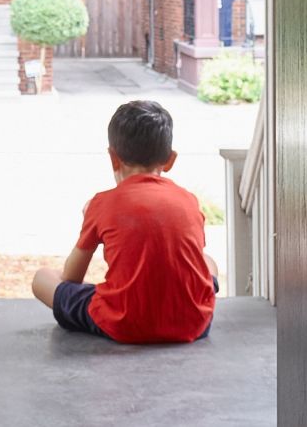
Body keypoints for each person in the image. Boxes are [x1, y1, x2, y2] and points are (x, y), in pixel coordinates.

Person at [32, 100, 219, 343]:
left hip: (124, 323)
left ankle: (113, 300)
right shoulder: (189, 201)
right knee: (208, 261)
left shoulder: (101, 204)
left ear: (113, 158)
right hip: (193, 322)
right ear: (170, 160)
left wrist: (89, 219)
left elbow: (71, 277)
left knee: (43, 278)